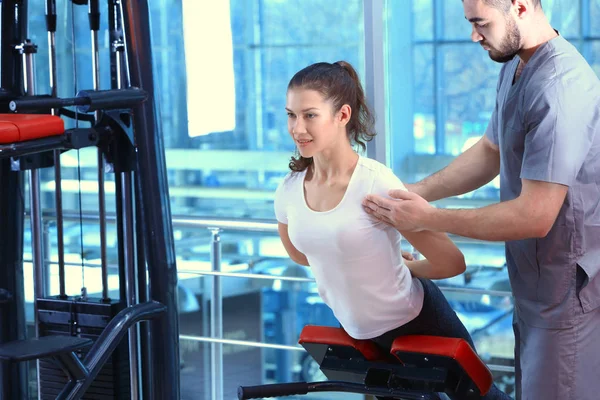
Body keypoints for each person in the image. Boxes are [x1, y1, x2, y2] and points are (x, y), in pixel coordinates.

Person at [362, 1, 600, 399]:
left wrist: (430, 218)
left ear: (520, 6)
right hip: (535, 284)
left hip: (564, 290)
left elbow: (534, 215)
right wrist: (410, 193)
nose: (474, 36)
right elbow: (490, 151)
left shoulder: (560, 87)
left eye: (479, 23)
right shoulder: (515, 63)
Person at [275, 60, 510, 400]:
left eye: (309, 115)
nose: (297, 127)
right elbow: (302, 254)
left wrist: (400, 265)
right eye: (291, 115)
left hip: (418, 321)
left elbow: (451, 262)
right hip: (359, 333)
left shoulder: (376, 183)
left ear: (342, 115)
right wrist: (368, 256)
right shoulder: (288, 189)